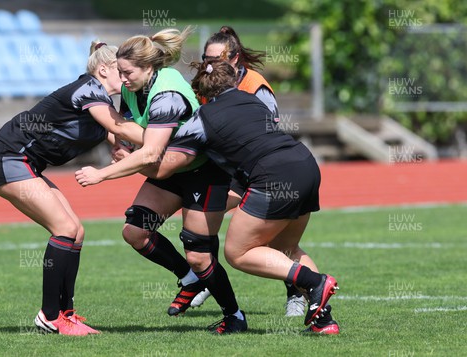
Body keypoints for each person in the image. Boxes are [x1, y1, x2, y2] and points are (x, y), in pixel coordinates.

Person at [146, 61, 340, 334]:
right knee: (288, 250)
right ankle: (324, 319)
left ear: (202, 91)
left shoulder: (202, 117)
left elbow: (164, 165)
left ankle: (315, 281)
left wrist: (129, 161)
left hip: (273, 175)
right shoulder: (253, 101)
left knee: (237, 252)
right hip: (305, 163)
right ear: (234, 81)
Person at [75, 27, 247, 334]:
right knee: (135, 232)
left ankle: (234, 315)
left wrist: (101, 174)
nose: (122, 79)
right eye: (120, 72)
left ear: (148, 67)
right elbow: (127, 126)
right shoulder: (132, 85)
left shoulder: (168, 92)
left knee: (199, 254)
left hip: (202, 171)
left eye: (127, 73)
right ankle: (190, 279)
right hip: (168, 168)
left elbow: (152, 153)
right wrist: (120, 145)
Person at [0, 41, 145, 336]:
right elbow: (119, 127)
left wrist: (123, 148)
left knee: (76, 231)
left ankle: (66, 315)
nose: (126, 76)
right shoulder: (89, 89)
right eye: (120, 71)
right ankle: (50, 316)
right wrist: (169, 137)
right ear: (103, 70)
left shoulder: (101, 100)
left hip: (25, 162)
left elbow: (113, 132)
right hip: (8, 157)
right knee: (64, 228)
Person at [191, 26, 305, 318]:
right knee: (205, 215)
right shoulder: (207, 80)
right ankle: (206, 274)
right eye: (206, 58)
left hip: (256, 166)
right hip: (225, 163)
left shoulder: (255, 85)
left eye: (216, 58)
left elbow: (266, 132)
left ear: (235, 58)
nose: (210, 64)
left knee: (277, 241)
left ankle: (297, 293)